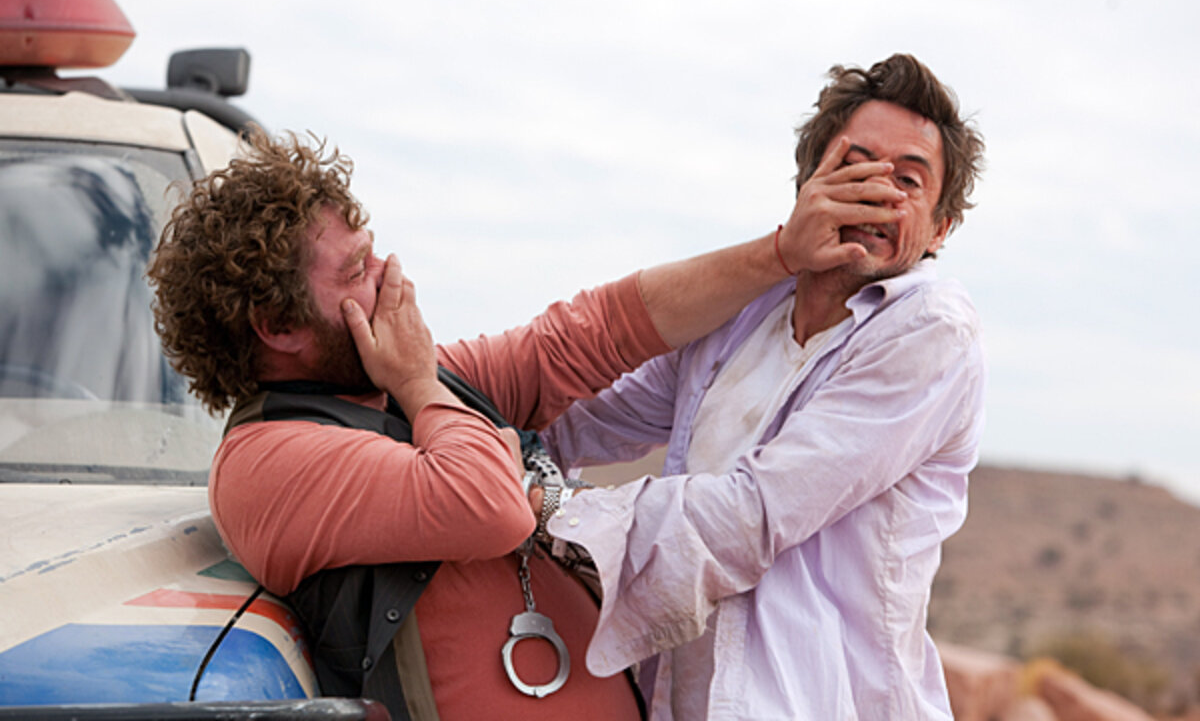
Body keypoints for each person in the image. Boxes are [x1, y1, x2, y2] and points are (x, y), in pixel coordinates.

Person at [146, 125, 903, 721]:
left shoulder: (411, 388)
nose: (392, 280)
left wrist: (780, 253)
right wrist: (419, 384)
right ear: (278, 326)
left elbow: (590, 334)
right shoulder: (266, 462)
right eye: (356, 274)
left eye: (372, 256)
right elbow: (489, 505)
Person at [539, 53, 987, 719]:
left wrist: (545, 506)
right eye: (856, 164)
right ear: (808, 181)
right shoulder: (743, 316)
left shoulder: (930, 329)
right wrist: (444, 412)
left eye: (908, 180)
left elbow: (752, 514)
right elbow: (585, 414)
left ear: (940, 228)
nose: (876, 191)